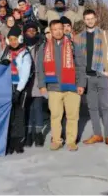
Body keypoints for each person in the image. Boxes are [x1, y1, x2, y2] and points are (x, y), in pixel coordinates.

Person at [36, 20, 86, 151]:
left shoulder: (73, 46)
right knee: (55, 116)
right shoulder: (44, 47)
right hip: (53, 87)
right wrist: (41, 85)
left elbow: (81, 66)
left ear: (64, 29)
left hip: (72, 87)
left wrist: (81, 84)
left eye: (60, 28)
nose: (58, 31)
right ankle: (56, 140)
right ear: (50, 32)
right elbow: (39, 68)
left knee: (72, 116)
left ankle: (71, 141)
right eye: (54, 29)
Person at [73, 9, 108, 149]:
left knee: (106, 107)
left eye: (92, 18)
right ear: (84, 20)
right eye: (87, 19)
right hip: (87, 77)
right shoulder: (78, 37)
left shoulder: (105, 34)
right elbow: (77, 59)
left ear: (96, 19)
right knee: (92, 107)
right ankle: (97, 134)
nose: (90, 21)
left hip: (102, 75)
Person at [0, 26, 32, 155]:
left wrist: (18, 91)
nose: (13, 42)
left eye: (15, 39)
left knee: (19, 114)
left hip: (19, 87)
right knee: (9, 115)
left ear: (20, 39)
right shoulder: (6, 51)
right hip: (7, 85)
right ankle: (8, 140)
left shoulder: (25, 53)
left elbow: (25, 73)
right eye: (11, 39)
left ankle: (18, 141)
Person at [22, 22, 46, 147]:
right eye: (28, 31)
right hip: (25, 82)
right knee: (27, 108)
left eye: (33, 31)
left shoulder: (41, 45)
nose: (31, 33)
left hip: (37, 80)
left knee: (37, 108)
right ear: (25, 33)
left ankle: (38, 134)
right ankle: (28, 133)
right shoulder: (22, 46)